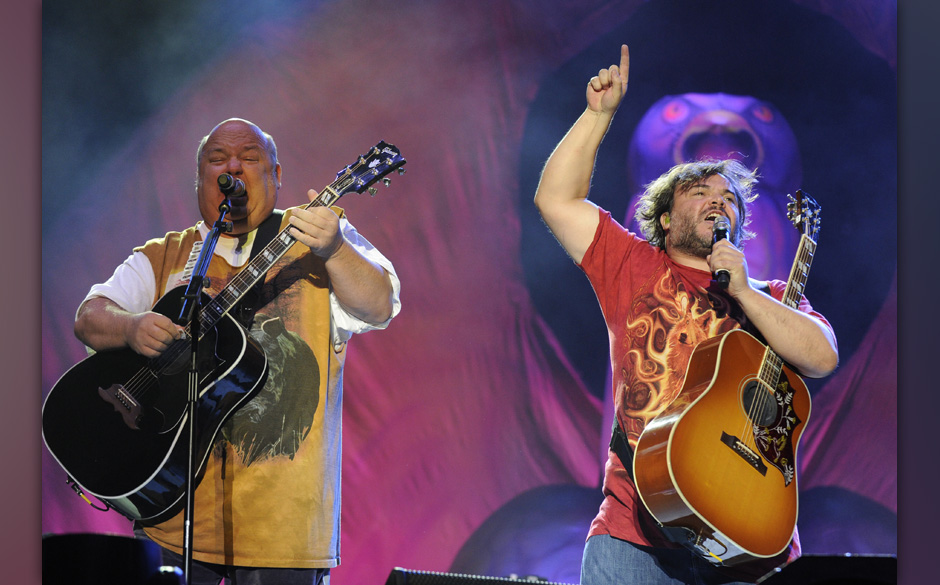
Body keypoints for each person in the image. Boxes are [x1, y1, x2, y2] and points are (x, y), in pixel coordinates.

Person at [533, 45, 838, 585]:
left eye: (730, 199)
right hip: (637, 534)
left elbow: (821, 357)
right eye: (701, 191)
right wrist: (597, 116)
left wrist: (744, 291)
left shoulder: (770, 295)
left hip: (752, 539)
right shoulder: (631, 264)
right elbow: (557, 199)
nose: (718, 201)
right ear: (667, 215)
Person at [73, 118, 401, 585]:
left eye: (249, 158)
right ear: (200, 179)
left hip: (285, 533)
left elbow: (380, 306)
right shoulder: (166, 254)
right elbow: (88, 317)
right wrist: (130, 329)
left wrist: (334, 249)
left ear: (276, 174)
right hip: (173, 517)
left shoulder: (319, 237)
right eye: (217, 160)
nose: (233, 168)